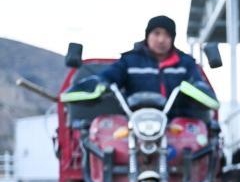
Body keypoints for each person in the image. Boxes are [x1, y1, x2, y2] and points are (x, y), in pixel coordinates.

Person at [63, 15, 219, 117]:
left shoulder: (186, 63)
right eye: (156, 33)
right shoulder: (130, 61)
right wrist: (98, 84)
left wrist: (200, 92)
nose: (161, 39)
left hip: (176, 123)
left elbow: (197, 83)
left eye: (166, 35)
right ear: (148, 35)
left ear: (172, 38)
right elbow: (108, 76)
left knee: (195, 141)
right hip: (135, 122)